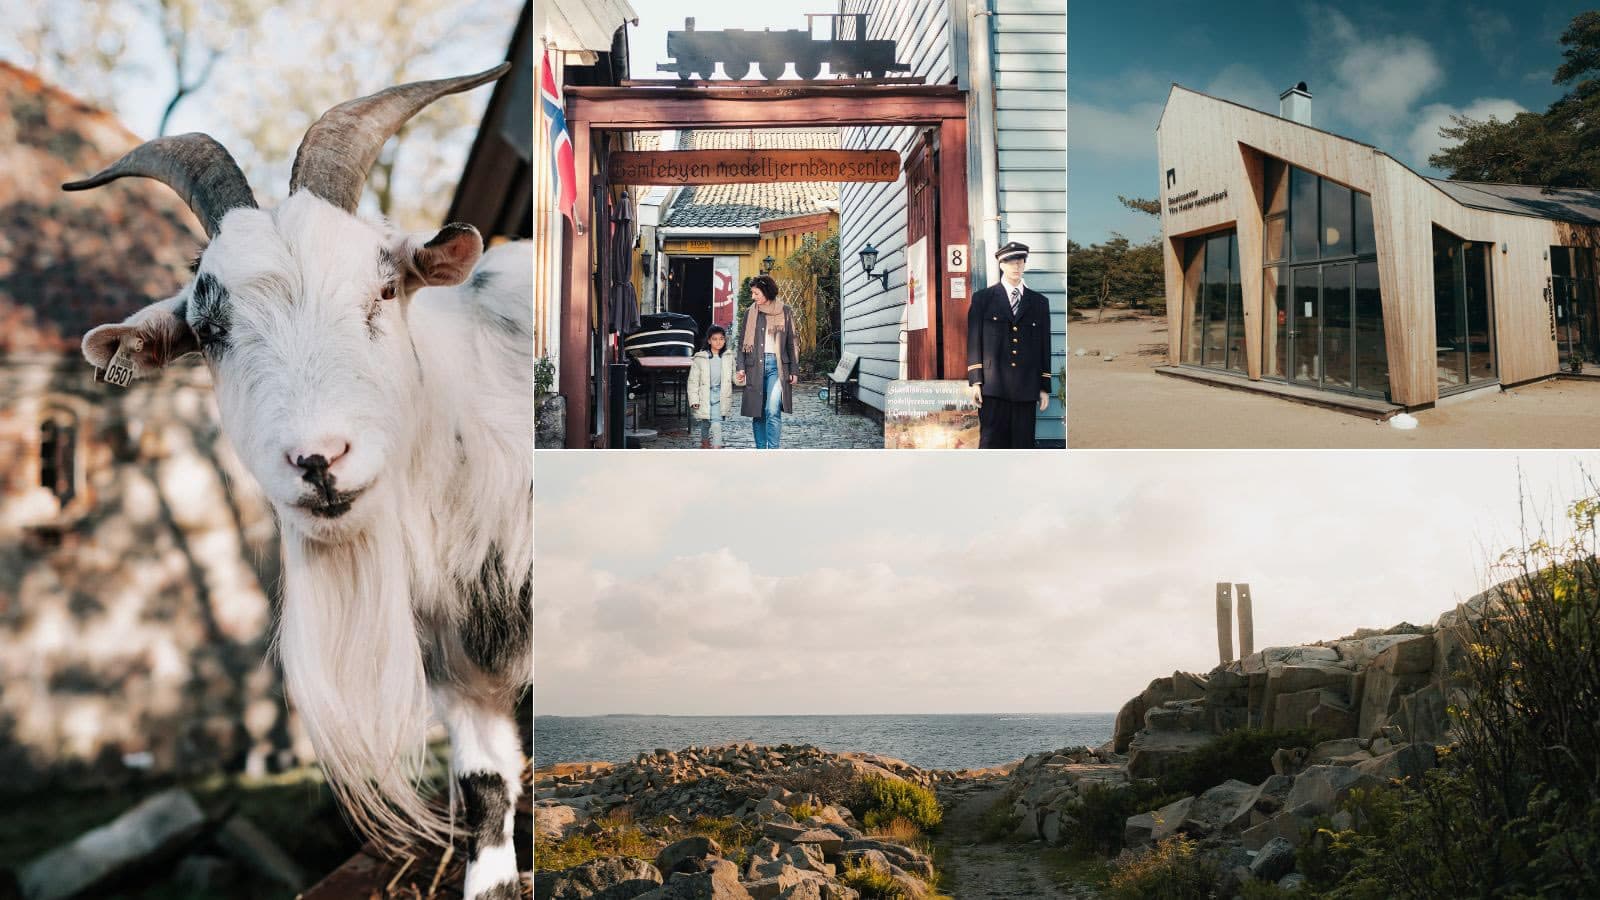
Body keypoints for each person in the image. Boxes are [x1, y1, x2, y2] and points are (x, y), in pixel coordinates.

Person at [967, 241, 1052, 449]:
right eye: (1010, 262)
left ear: (1024, 264)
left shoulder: (1039, 302)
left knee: (1023, 444)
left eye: (1020, 261)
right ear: (1001, 265)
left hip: (1026, 386)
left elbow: (1044, 346)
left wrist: (1044, 387)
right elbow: (973, 340)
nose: (1016, 266)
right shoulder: (983, 299)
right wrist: (976, 381)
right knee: (991, 442)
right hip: (993, 385)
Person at [736, 275, 798, 449]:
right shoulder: (750, 312)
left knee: (772, 410)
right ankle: (761, 452)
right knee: (758, 412)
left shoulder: (785, 311)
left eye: (756, 293)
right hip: (754, 366)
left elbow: (792, 342)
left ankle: (773, 452)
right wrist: (740, 367)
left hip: (777, 367)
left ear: (766, 292)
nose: (753, 297)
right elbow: (742, 342)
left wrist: (794, 369)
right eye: (752, 293)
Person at [687, 325, 736, 448]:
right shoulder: (700, 358)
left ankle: (717, 447)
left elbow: (734, 377)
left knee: (716, 422)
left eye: (721, 338)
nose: (718, 342)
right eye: (715, 339)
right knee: (705, 422)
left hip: (721, 394)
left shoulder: (728, 357)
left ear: (724, 340)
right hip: (705, 394)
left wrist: (740, 378)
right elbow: (693, 381)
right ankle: (704, 442)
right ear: (709, 340)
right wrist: (694, 400)